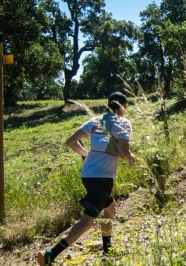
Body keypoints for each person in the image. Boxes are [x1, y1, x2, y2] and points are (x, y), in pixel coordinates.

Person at [37, 92, 136, 266]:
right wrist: (131, 157)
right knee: (86, 222)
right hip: (102, 178)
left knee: (110, 209)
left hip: (88, 175)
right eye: (125, 107)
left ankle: (108, 252)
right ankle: (50, 255)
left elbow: (71, 141)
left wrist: (87, 154)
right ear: (122, 106)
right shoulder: (122, 123)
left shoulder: (95, 121)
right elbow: (123, 153)